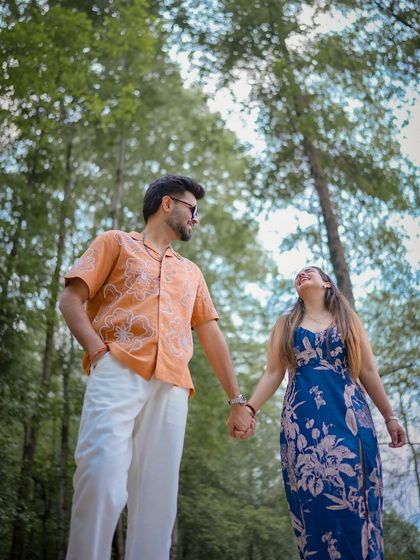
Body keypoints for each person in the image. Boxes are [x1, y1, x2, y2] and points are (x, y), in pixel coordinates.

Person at [59, 175, 254, 560]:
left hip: (174, 385)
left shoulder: (191, 272)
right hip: (117, 369)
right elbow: (70, 300)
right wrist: (100, 353)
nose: (196, 219)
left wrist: (237, 399)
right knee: (99, 479)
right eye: (193, 209)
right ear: (168, 204)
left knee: (157, 500)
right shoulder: (115, 243)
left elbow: (211, 335)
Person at [241, 266, 406, 560]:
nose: (301, 275)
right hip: (303, 426)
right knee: (314, 503)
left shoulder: (347, 320)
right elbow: (273, 372)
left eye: (310, 272)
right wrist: (250, 407)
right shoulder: (285, 324)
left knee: (356, 501)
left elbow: (367, 370)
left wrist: (390, 417)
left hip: (350, 421)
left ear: (327, 283)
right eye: (298, 275)